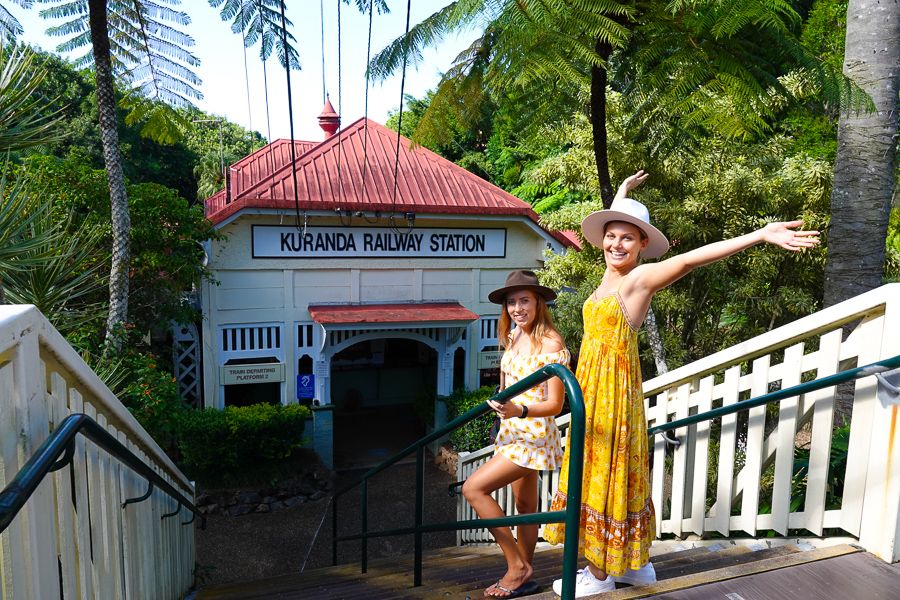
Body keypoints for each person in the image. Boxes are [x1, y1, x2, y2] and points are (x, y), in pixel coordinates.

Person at [543, 171, 820, 597]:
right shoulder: (610, 277)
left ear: (642, 248)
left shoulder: (638, 280)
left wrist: (759, 235)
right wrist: (622, 196)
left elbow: (691, 260)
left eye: (627, 239)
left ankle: (599, 575)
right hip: (596, 388)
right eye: (611, 236)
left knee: (603, 473)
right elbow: (617, 233)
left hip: (613, 396)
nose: (616, 244)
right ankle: (635, 568)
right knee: (608, 472)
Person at [462, 270, 571, 598]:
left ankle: (515, 565)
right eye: (511, 302)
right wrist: (502, 401)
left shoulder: (550, 342)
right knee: (525, 505)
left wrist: (520, 410)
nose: (517, 308)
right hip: (511, 433)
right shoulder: (512, 336)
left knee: (474, 489)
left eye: (524, 300)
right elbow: (510, 385)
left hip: (533, 437)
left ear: (539, 302)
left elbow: (555, 403)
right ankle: (523, 569)